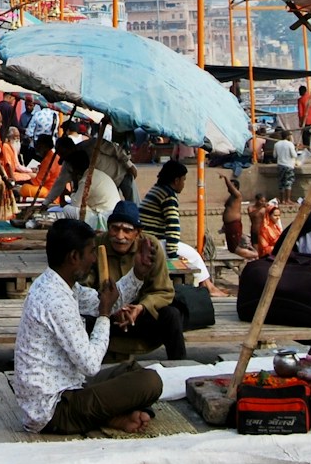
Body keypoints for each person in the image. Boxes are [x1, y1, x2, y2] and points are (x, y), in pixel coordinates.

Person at [13, 217, 165, 434]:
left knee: (131, 369)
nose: (94, 259)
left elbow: (102, 300)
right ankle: (111, 416)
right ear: (74, 257)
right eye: (91, 252)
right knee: (150, 382)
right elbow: (91, 364)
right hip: (54, 410)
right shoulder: (54, 299)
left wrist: (137, 273)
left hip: (71, 386)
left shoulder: (59, 284)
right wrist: (104, 315)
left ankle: (113, 416)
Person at [90, 201, 186, 359]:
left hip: (142, 316)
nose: (120, 236)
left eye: (127, 231)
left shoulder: (151, 246)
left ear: (138, 232)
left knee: (172, 315)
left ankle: (180, 367)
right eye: (115, 229)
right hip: (107, 314)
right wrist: (109, 307)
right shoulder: (98, 245)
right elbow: (85, 288)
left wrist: (141, 307)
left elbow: (164, 291)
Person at [140, 161, 188, 261]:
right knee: (194, 258)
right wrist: (173, 255)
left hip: (144, 238)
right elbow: (173, 227)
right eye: (183, 180)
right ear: (176, 180)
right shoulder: (168, 196)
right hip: (153, 242)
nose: (184, 184)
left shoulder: (157, 189)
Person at [220, 176, 256, 261]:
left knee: (235, 247)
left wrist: (225, 178)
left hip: (234, 224)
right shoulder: (231, 197)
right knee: (231, 247)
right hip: (229, 225)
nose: (229, 188)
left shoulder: (237, 195)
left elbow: (230, 187)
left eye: (232, 186)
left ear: (235, 187)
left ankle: (254, 254)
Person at [272, 133, 298, 201]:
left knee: (281, 183)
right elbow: (294, 155)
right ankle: (288, 199)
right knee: (288, 182)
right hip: (289, 165)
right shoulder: (290, 144)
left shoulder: (276, 144)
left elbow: (274, 155)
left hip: (280, 165)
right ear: (288, 136)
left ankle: (282, 200)